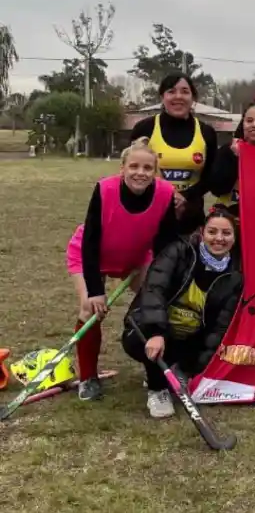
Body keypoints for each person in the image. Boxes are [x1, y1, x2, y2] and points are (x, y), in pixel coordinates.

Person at [65, 137, 179, 401]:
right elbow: (91, 241)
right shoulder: (104, 190)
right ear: (123, 168)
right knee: (90, 311)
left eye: (148, 168)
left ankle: (156, 371)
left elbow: (166, 244)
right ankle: (88, 378)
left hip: (136, 259)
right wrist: (95, 290)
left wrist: (159, 283)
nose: (140, 173)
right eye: (134, 167)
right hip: (90, 256)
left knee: (158, 306)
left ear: (155, 171)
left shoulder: (164, 193)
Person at [121, 210, 242, 419]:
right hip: (158, 330)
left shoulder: (235, 275)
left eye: (226, 233)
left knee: (199, 355)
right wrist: (156, 331)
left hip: (190, 338)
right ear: (202, 232)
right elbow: (153, 290)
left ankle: (178, 370)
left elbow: (220, 326)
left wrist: (199, 368)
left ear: (234, 237)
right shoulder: (180, 251)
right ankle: (157, 389)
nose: (219, 239)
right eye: (212, 232)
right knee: (140, 339)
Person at [130, 73, 218, 235]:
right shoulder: (144, 128)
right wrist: (166, 195)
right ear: (162, 96)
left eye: (185, 91)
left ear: (193, 97)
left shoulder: (207, 132)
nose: (178, 97)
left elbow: (210, 178)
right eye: (171, 91)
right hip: (150, 218)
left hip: (191, 220)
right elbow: (132, 171)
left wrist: (184, 197)